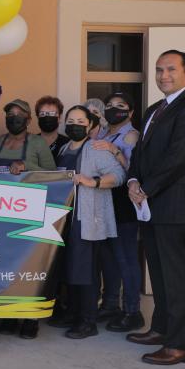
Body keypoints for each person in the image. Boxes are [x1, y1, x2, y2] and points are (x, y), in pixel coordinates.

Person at [127, 50, 185, 366]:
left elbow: (179, 156)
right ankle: (161, 330)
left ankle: (181, 345)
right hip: (150, 206)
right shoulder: (154, 110)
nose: (164, 75)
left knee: (178, 279)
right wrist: (133, 179)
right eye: (160, 69)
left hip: (176, 207)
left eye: (171, 69)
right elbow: (140, 153)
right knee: (160, 277)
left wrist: (146, 187)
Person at [0, 98, 56, 339]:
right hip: (0, 214)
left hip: (30, 213)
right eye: (9, 114)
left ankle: (30, 318)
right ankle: (8, 313)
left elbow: (53, 174)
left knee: (29, 267)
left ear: (28, 119)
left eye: (18, 115)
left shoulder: (37, 143)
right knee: (5, 266)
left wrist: (26, 165)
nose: (13, 118)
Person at [54, 105, 125, 339]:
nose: (75, 124)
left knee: (85, 270)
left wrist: (91, 181)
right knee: (70, 268)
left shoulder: (95, 149)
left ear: (90, 125)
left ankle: (88, 321)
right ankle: (73, 313)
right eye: (70, 120)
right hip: (64, 219)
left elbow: (119, 175)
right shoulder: (64, 148)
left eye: (80, 121)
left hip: (86, 219)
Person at [91, 92, 144, 333]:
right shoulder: (103, 132)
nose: (114, 109)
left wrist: (114, 150)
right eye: (110, 105)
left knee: (126, 258)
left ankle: (132, 311)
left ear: (130, 112)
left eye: (120, 106)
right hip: (104, 200)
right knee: (108, 259)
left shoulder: (131, 135)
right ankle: (110, 304)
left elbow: (134, 170)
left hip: (123, 202)